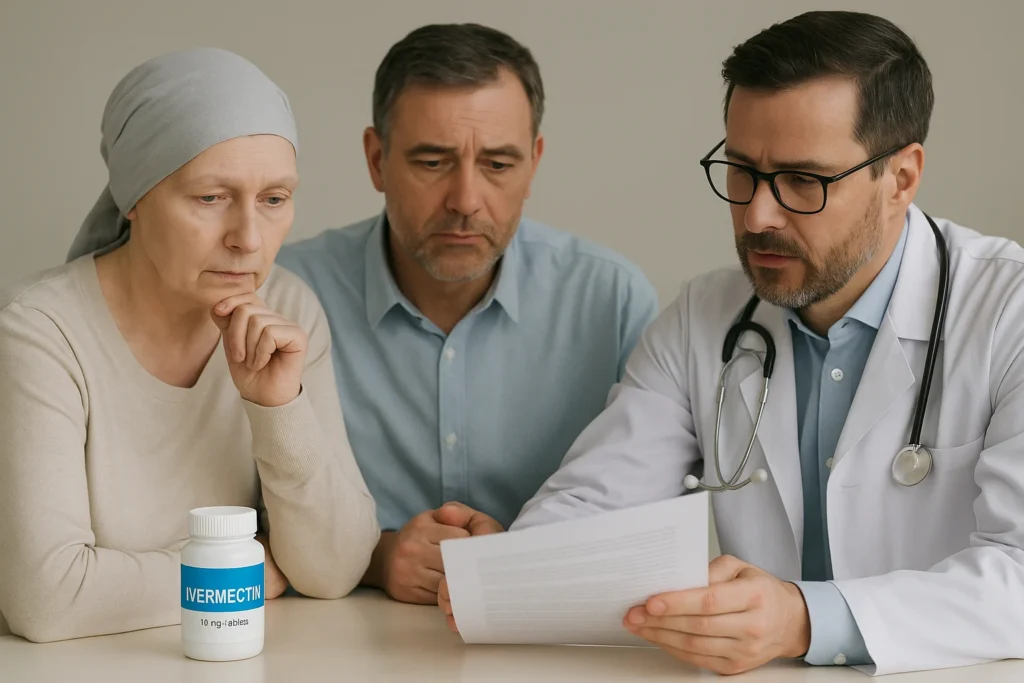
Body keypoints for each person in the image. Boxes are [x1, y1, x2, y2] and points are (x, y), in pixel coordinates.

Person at [441, 10, 1024, 676]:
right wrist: (510, 570)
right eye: (742, 170)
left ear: (901, 177)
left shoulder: (1008, 312)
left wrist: (803, 616)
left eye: (804, 181)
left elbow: (1017, 578)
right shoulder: (707, 317)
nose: (757, 215)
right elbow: (594, 501)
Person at [0, 47, 380, 642]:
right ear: (135, 197)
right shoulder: (41, 331)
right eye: (211, 197)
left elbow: (334, 570)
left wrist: (278, 409)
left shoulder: (288, 308)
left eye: (274, 199)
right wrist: (248, 568)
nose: (249, 239)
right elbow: (49, 600)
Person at [276, 22, 658, 606]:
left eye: (499, 165)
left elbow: (649, 521)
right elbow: (225, 511)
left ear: (533, 162)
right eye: (433, 162)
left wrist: (525, 556)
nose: (465, 200)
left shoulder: (612, 301)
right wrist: (375, 555)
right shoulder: (289, 296)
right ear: (377, 160)